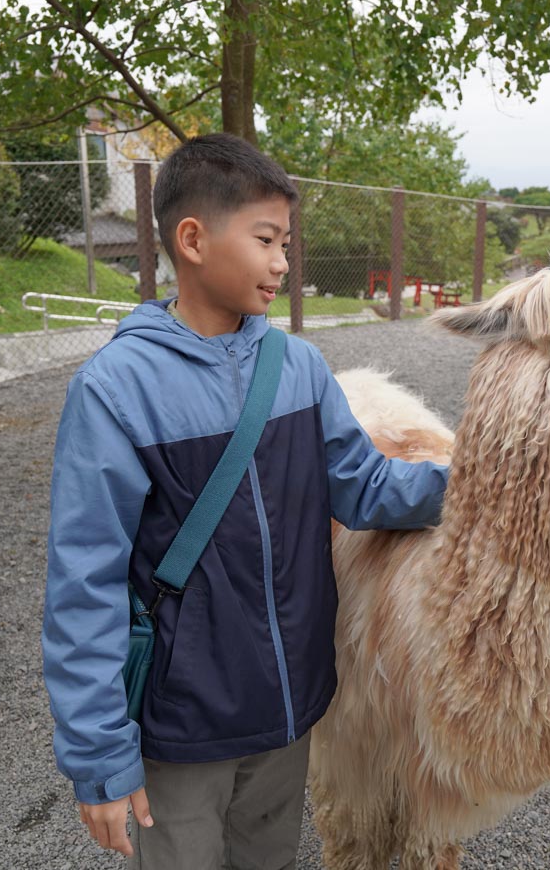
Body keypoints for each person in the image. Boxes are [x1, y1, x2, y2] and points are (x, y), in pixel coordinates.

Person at [42, 133, 449, 867]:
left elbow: (363, 486)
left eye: (286, 242)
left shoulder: (297, 367)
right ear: (192, 239)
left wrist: (487, 485)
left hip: (289, 708)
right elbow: (84, 582)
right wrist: (99, 757)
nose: (283, 263)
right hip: (181, 724)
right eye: (267, 239)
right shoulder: (116, 390)